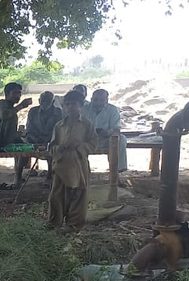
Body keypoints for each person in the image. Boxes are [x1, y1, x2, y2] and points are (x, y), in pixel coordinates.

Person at [48, 90, 97, 231]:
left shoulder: (87, 124)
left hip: (78, 164)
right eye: (67, 104)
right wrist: (60, 148)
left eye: (74, 104)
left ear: (81, 106)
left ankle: (74, 225)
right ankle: (54, 223)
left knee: (78, 195)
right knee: (56, 196)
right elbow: (51, 146)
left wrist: (80, 147)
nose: (70, 107)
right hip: (61, 164)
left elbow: (93, 144)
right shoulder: (59, 126)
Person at [0, 82, 33, 187]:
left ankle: (18, 177)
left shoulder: (10, 107)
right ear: (7, 94)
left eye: (19, 93)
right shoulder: (2, 104)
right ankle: (6, 146)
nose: (18, 96)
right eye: (15, 93)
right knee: (9, 118)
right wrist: (21, 106)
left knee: (27, 148)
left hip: (6, 139)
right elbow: (4, 116)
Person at [84, 88, 128, 172]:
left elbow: (116, 129)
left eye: (102, 100)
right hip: (87, 140)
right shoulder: (84, 109)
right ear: (91, 99)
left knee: (121, 139)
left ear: (106, 100)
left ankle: (117, 171)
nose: (98, 103)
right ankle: (81, 172)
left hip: (106, 140)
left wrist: (107, 132)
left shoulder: (113, 110)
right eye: (95, 100)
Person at [25, 91, 62, 176]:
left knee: (53, 149)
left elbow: (58, 130)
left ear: (52, 102)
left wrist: (48, 142)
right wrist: (35, 140)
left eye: (48, 100)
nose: (45, 103)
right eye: (43, 100)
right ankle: (18, 177)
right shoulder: (33, 111)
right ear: (39, 101)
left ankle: (49, 174)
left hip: (50, 140)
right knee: (23, 149)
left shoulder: (58, 112)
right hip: (35, 140)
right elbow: (30, 129)